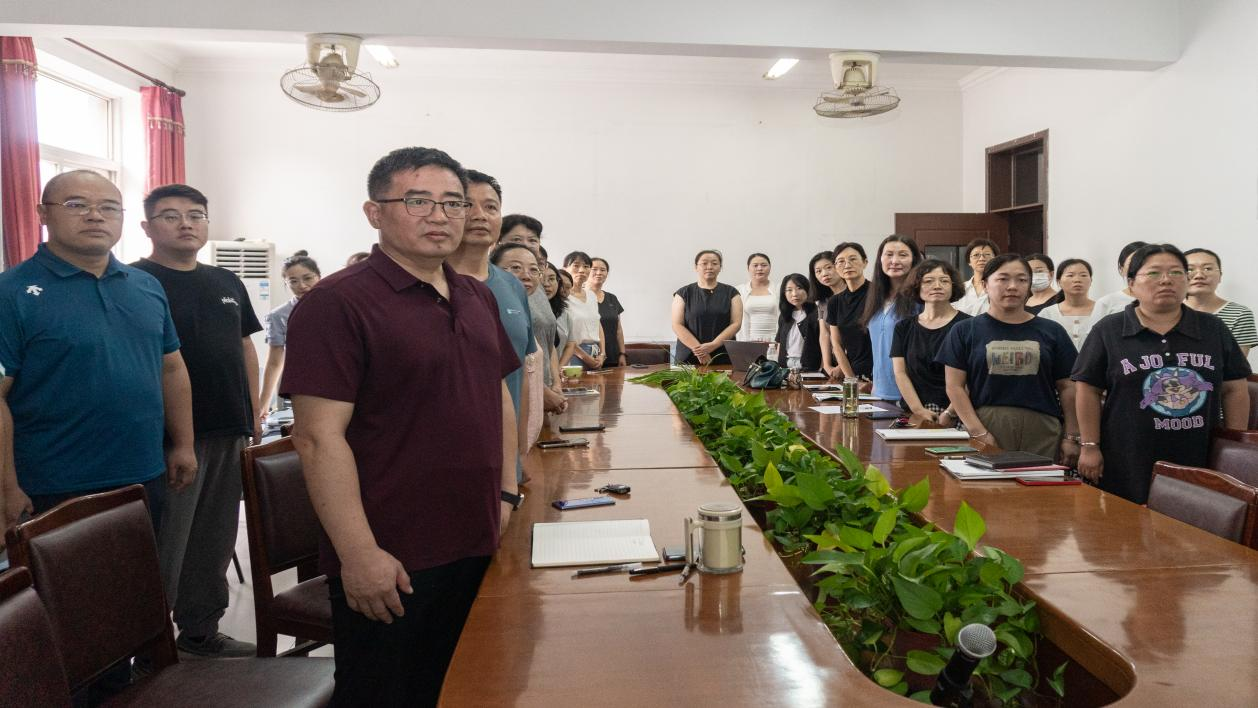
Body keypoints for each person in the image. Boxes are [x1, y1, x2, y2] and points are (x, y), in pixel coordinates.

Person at [283, 146, 520, 706]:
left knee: (471, 686)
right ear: (375, 213)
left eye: (453, 203)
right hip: (394, 552)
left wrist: (507, 492)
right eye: (418, 201)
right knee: (388, 693)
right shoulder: (336, 302)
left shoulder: (476, 295)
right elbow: (316, 438)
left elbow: (497, 395)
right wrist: (358, 553)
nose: (440, 216)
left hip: (477, 536)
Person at [0, 170, 195, 535]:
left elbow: (171, 368)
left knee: (139, 571)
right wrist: (6, 486)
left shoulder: (146, 286)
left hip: (143, 473)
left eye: (109, 207)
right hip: (52, 484)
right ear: (42, 214)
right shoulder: (11, 293)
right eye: (77, 205)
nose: (95, 216)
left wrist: (184, 444)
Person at [132, 183, 261, 658]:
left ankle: (201, 632)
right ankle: (148, 650)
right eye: (170, 215)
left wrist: (253, 412)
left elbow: (245, 346)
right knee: (167, 544)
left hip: (229, 428)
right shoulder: (135, 281)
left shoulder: (226, 280)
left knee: (214, 538)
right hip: (170, 438)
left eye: (195, 215)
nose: (185, 223)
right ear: (147, 227)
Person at [1074, 244, 1251, 504]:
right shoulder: (1109, 330)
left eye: (1177, 272)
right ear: (1131, 283)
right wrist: (1090, 446)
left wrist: (1235, 448)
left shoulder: (1212, 328)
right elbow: (1087, 389)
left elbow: (1234, 389)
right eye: (1154, 273)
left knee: (1196, 518)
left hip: (1199, 453)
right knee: (1128, 521)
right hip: (1127, 456)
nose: (1166, 280)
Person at [937, 254, 1081, 461]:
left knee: (1041, 481)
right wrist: (978, 432)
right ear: (985, 285)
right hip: (986, 424)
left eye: (1021, 280)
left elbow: (1068, 387)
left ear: (1029, 286)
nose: (1012, 286)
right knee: (988, 481)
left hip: (1042, 429)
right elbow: (954, 387)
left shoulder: (1052, 331)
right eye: (1003, 279)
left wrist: (1071, 436)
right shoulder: (964, 330)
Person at [449, 170, 537, 484]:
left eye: (490, 207)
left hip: (504, 464)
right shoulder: (428, 282)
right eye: (466, 205)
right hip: (447, 464)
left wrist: (520, 454)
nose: (480, 215)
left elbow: (521, 373)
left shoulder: (512, 286)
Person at [891, 259, 970, 423]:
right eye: (928, 281)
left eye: (944, 281)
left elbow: (972, 378)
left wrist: (950, 413)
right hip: (914, 412)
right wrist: (918, 410)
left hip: (959, 414)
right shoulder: (903, 327)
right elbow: (900, 373)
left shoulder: (969, 326)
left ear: (953, 286)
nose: (937, 286)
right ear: (917, 286)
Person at [492, 242, 546, 450]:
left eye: (534, 270)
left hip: (521, 424)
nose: (526, 276)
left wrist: (522, 445)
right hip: (499, 425)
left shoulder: (521, 305)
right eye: (515, 268)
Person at [258, 252, 321, 422]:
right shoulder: (278, 316)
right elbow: (274, 361)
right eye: (293, 281)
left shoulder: (338, 307)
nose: (302, 285)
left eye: (308, 278)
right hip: (301, 388)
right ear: (286, 283)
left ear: (319, 276)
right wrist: (263, 403)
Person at [861, 235, 923, 404]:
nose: (895, 261)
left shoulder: (921, 299)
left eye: (903, 255)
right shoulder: (875, 298)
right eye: (889, 254)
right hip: (879, 391)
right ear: (880, 259)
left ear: (914, 259)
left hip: (910, 395)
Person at [671, 250, 742, 365]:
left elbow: (736, 324)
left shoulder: (732, 293)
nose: (709, 267)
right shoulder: (683, 293)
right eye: (704, 263)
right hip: (689, 353)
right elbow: (677, 325)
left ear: (720, 267)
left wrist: (713, 345)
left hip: (722, 353)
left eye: (714, 263)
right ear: (696, 267)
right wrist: (700, 351)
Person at [1184, 248, 1256, 357]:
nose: (1199, 275)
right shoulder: (1166, 313)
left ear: (1220, 276)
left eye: (1208, 268)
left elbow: (1237, 365)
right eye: (1189, 270)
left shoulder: (1239, 314)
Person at [826, 242, 874, 382]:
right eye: (841, 261)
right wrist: (851, 379)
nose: (847, 265)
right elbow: (836, 344)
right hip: (853, 373)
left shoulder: (878, 294)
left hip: (878, 374)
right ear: (836, 267)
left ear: (865, 262)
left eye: (853, 259)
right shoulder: (834, 302)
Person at [1038, 259, 1101, 351]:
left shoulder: (1102, 309)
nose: (1077, 280)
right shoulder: (1047, 314)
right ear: (1059, 281)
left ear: (1091, 280)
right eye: (1070, 275)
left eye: (1083, 275)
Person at [561, 251, 607, 370]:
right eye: (576, 266)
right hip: (573, 354)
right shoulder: (562, 296)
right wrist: (586, 358)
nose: (581, 270)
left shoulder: (591, 295)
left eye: (586, 266)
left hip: (595, 353)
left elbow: (597, 325)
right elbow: (564, 334)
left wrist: (602, 354)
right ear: (565, 269)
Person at [807, 251, 843, 377]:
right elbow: (824, 334)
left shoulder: (853, 297)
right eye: (818, 271)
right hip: (834, 362)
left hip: (855, 361)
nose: (824, 274)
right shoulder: (822, 302)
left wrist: (842, 366)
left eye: (829, 267)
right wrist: (827, 365)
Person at [775, 274, 821, 371]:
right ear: (784, 293)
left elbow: (825, 343)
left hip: (809, 366)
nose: (794, 294)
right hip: (786, 365)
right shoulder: (784, 315)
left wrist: (823, 367)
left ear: (808, 289)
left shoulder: (817, 312)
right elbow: (780, 343)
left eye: (799, 288)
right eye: (789, 290)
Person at [588, 257, 627, 366]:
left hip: (613, 355)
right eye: (594, 269)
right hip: (590, 355)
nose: (599, 273)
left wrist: (622, 354)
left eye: (603, 270)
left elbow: (618, 329)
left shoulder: (612, 298)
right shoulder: (581, 297)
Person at [1094, 241, 1148, 316]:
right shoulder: (1106, 302)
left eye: (1144, 263)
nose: (1139, 268)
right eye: (1132, 263)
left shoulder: (1161, 300)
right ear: (1121, 269)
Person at [736, 253, 778, 342]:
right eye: (755, 265)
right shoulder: (739, 290)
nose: (759, 268)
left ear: (770, 267)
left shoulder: (779, 289)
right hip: (747, 341)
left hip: (775, 340)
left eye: (764, 265)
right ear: (748, 268)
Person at [955, 238, 998, 315]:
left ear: (995, 259)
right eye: (976, 255)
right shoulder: (959, 289)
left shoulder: (1001, 288)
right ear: (969, 261)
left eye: (987, 255)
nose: (981, 259)